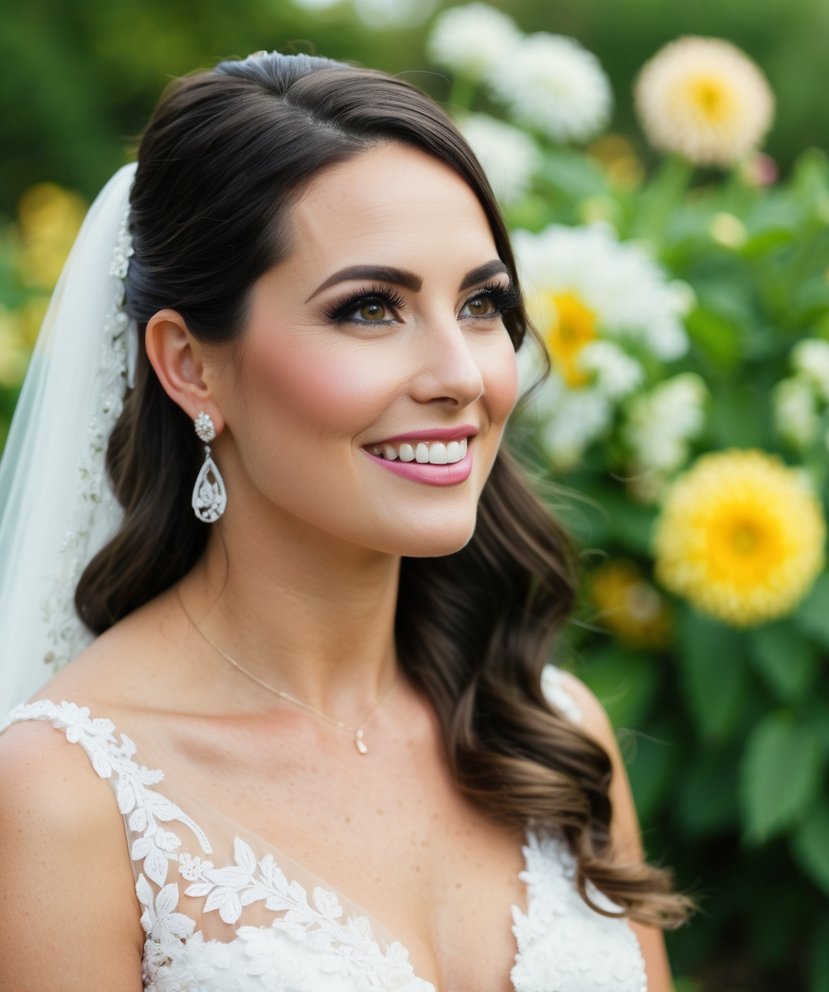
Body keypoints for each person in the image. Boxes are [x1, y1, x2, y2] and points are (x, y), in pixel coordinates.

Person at [0, 51, 687, 991]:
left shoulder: (552, 733)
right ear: (192, 366)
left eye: (482, 303)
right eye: (370, 308)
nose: (461, 374)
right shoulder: (65, 797)